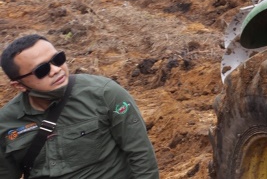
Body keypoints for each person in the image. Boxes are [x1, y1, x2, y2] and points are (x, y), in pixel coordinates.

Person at [0, 34, 159, 178]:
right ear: (19, 85)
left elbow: (141, 156)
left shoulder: (105, 93)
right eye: (42, 70)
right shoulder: (5, 123)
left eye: (58, 59)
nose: (56, 70)